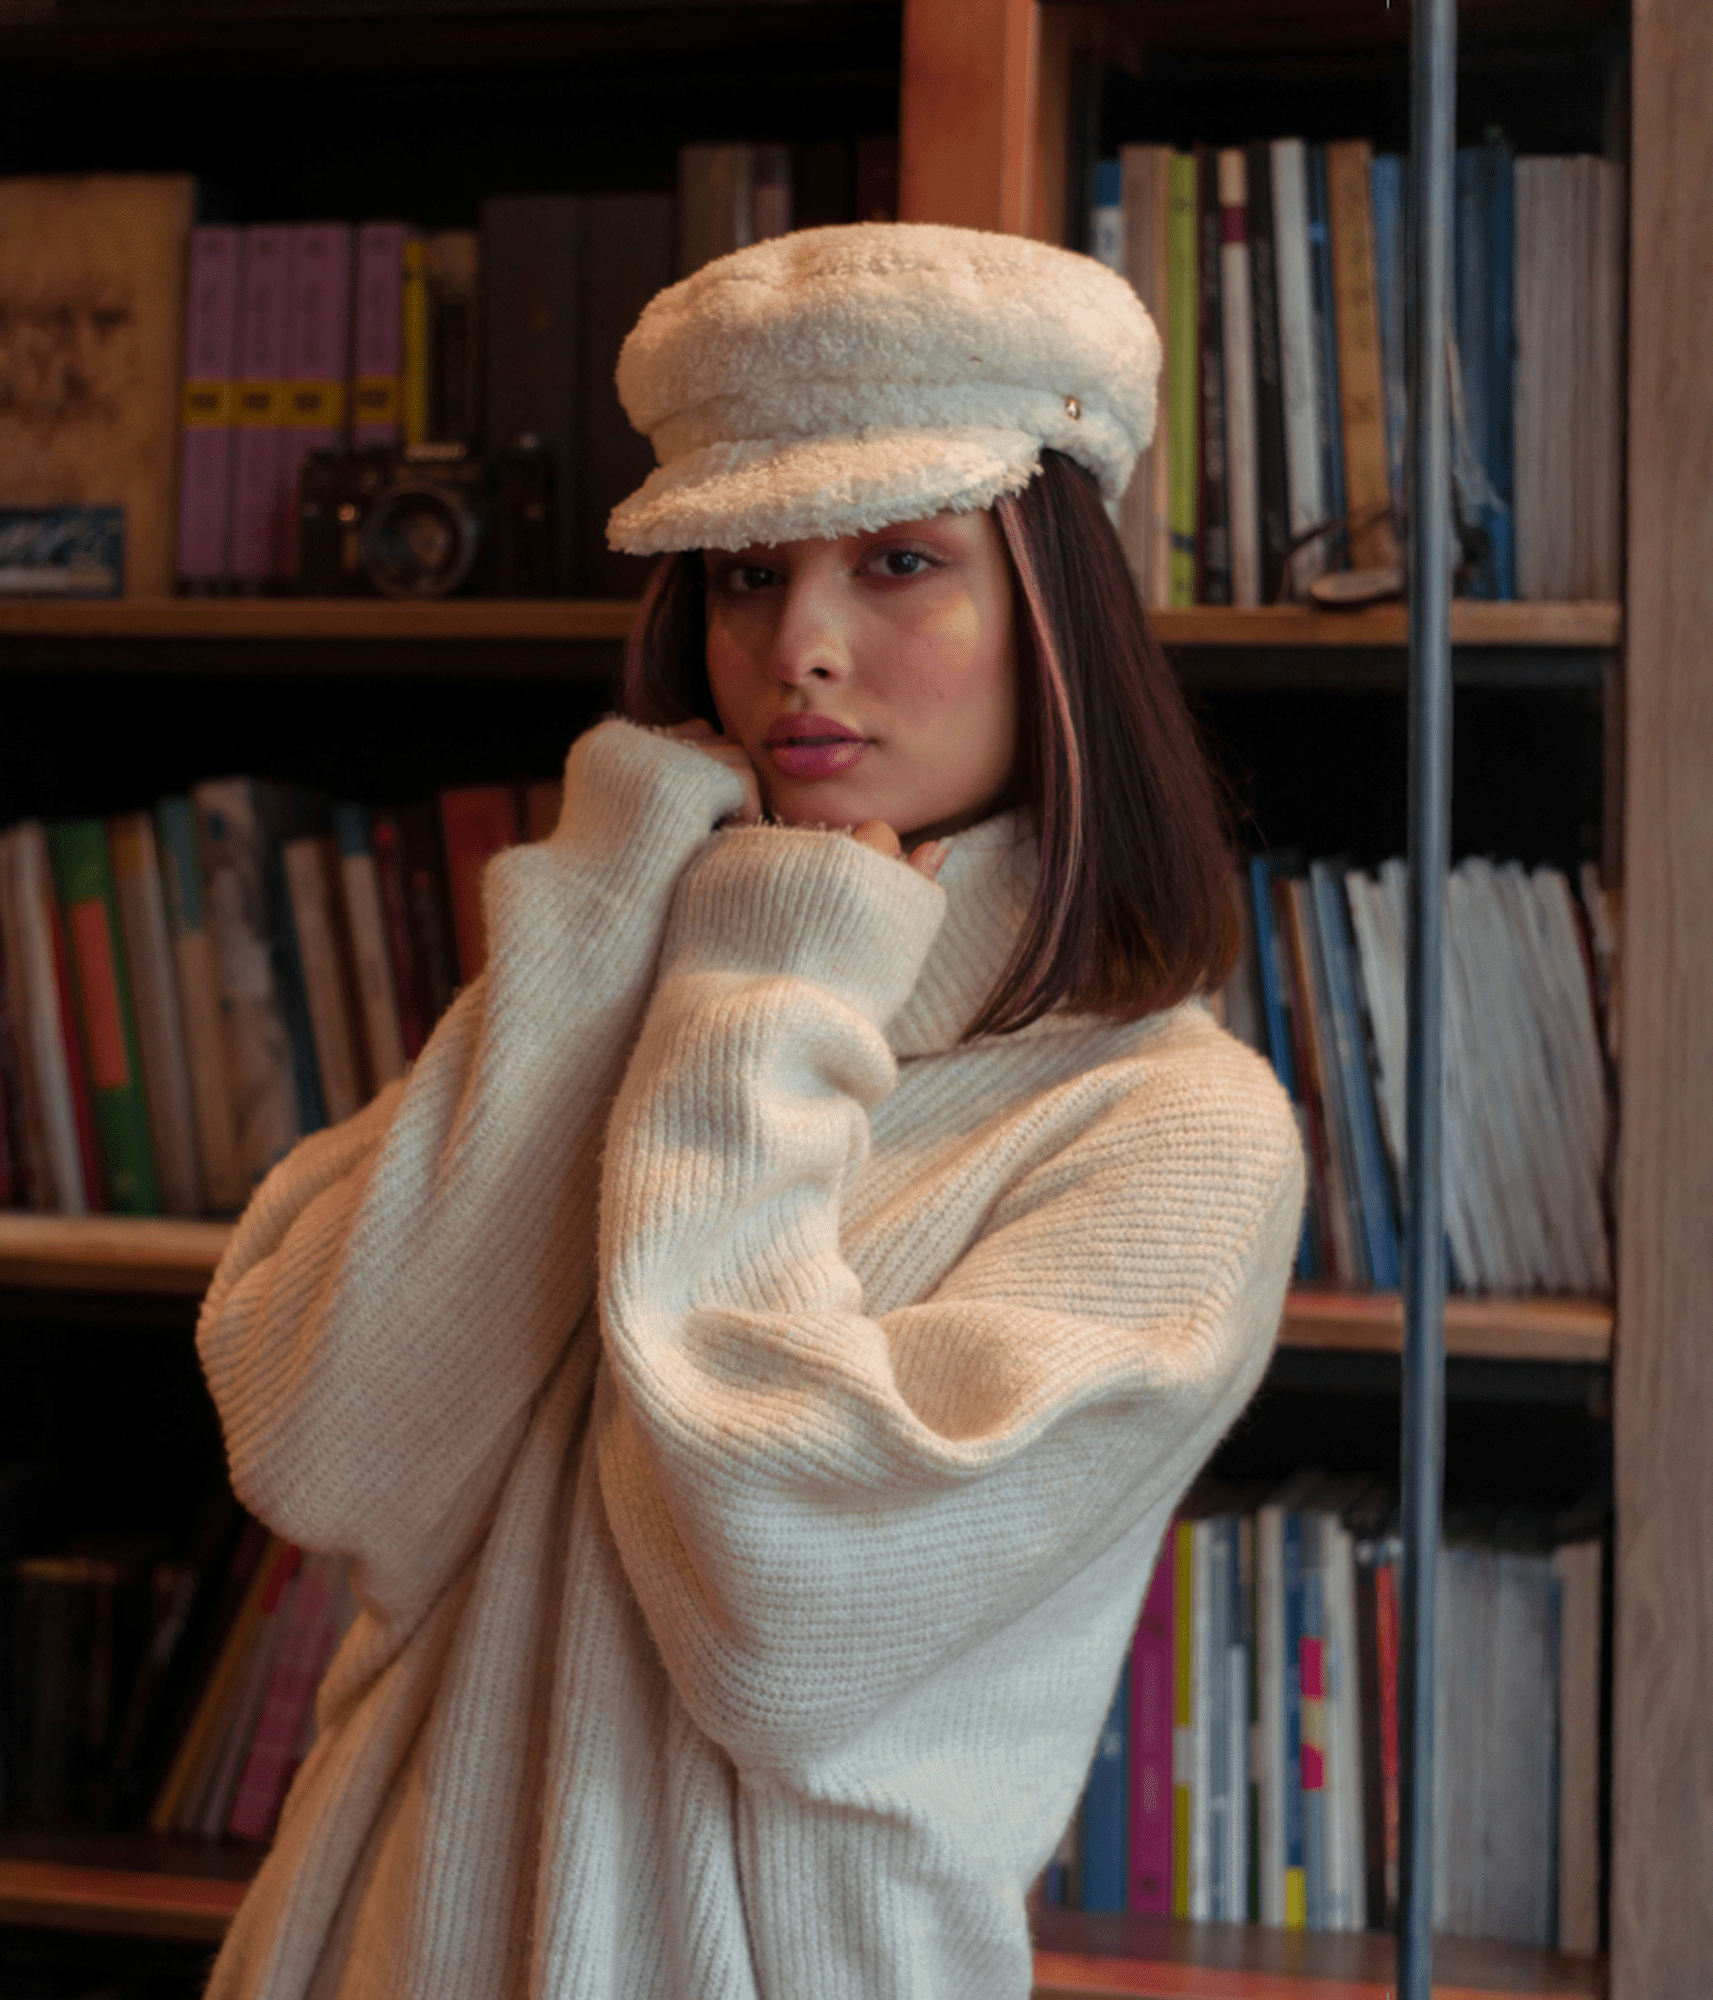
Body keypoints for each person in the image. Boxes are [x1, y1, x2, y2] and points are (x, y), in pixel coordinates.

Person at [196, 223, 1305, 2000]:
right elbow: (323, 1451)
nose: (801, 645)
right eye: (743, 574)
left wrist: (773, 991)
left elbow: (779, 1616)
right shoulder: (635, 977)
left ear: (1057, 615)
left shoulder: (1171, 1131)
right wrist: (603, 922)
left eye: (899, 560)